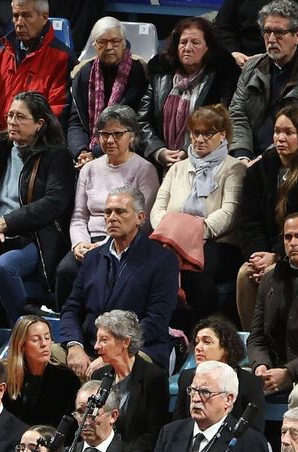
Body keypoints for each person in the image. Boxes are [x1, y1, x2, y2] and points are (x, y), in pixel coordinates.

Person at [0, 91, 73, 325]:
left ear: (39, 124)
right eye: (9, 116)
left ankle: (20, 333)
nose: (12, 122)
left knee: (4, 267)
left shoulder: (57, 154)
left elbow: (54, 202)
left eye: (20, 117)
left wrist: (7, 223)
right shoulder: (0, 148)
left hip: (34, 235)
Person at [235, 100, 298, 328]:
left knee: (276, 274)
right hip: (265, 251)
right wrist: (257, 255)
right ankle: (256, 342)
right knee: (245, 273)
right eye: (277, 132)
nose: (280, 138)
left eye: (289, 133)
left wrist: (278, 255)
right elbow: (248, 221)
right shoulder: (259, 170)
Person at [57, 189, 179, 371]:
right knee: (41, 353)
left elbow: (156, 320)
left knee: (111, 369)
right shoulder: (92, 258)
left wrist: (114, 352)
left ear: (140, 218)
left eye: (120, 211)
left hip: (138, 348)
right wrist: (74, 345)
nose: (112, 217)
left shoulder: (162, 260)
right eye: (107, 212)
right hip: (91, 347)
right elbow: (72, 308)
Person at [58, 106, 159, 310]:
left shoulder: (144, 169)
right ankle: (66, 329)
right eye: (104, 134)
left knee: (104, 272)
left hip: (124, 242)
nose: (109, 140)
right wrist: (79, 244)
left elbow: (144, 221)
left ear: (132, 136)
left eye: (117, 134)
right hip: (89, 242)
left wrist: (105, 245)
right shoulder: (89, 168)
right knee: (65, 270)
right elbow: (78, 216)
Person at [151, 104, 245, 320]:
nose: (200, 139)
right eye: (196, 133)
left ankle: (203, 331)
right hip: (172, 240)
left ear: (222, 136)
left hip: (217, 241)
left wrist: (192, 233)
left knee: (195, 276)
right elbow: (158, 208)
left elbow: (230, 212)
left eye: (208, 133)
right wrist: (170, 232)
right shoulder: (177, 168)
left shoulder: (234, 168)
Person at [152, 359, 272, 452]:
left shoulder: (249, 443)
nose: (195, 398)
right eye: (193, 390)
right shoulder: (170, 432)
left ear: (228, 400)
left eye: (205, 392)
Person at [227, 0, 298, 159]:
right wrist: (242, 155)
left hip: (290, 160)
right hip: (246, 156)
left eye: (279, 33)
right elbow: (238, 115)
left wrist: (262, 162)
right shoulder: (251, 68)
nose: (271, 39)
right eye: (267, 31)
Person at [139, 17, 240, 166]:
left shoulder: (222, 78)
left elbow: (222, 123)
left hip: (205, 161)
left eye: (195, 43)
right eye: (183, 42)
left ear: (208, 48)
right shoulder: (160, 73)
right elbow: (142, 119)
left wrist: (188, 150)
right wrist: (158, 150)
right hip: (160, 161)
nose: (187, 48)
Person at [0, 0, 71, 144]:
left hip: (39, 147)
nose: (19, 22)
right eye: (16, 16)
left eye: (26, 16)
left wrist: (18, 137)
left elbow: (57, 111)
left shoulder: (62, 59)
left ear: (44, 17)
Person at [77, 309, 171, 452]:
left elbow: (154, 433)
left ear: (125, 342)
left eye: (104, 340)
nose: (96, 346)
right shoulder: (99, 375)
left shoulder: (154, 377)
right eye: (97, 340)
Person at [67, 19, 148, 166]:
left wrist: (95, 154)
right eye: (102, 42)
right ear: (94, 45)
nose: (109, 47)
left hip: (128, 152)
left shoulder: (138, 73)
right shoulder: (84, 74)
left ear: (124, 43)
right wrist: (81, 151)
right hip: (88, 154)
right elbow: (76, 121)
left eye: (115, 41)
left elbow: (131, 124)